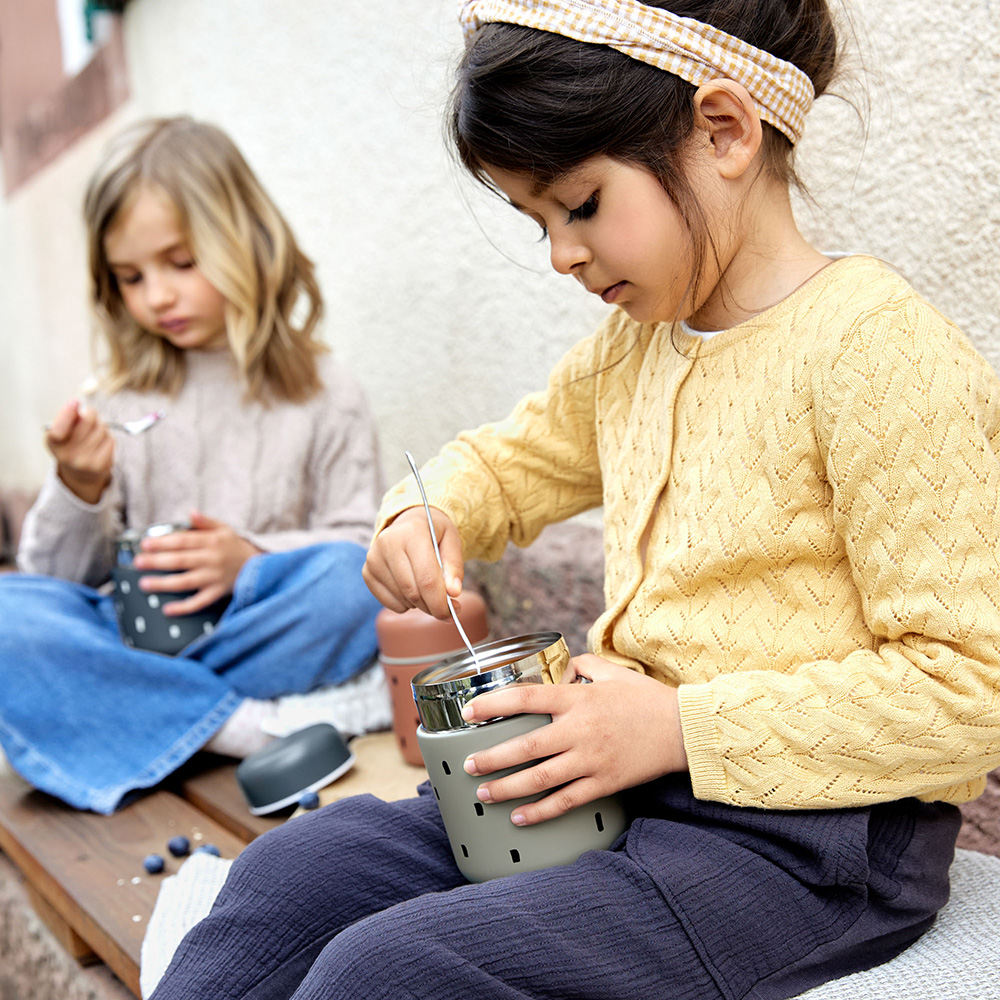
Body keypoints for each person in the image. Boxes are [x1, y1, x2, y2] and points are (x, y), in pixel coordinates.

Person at [149, 3, 1000, 998]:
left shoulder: (877, 352)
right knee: (293, 875)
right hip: (627, 784)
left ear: (723, 131)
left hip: (811, 846)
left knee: (391, 970)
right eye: (537, 220)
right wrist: (425, 513)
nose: (559, 253)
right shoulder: (634, 350)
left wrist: (677, 727)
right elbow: (505, 463)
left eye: (581, 205)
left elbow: (967, 691)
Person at [0, 116, 387, 815]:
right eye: (130, 278)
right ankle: (250, 729)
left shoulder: (326, 391)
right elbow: (55, 581)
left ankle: (130, 712)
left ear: (247, 241)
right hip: (136, 638)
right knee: (8, 615)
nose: (157, 296)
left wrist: (250, 561)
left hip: (255, 632)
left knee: (353, 584)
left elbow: (358, 547)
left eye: (181, 263)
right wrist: (79, 487)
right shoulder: (118, 398)